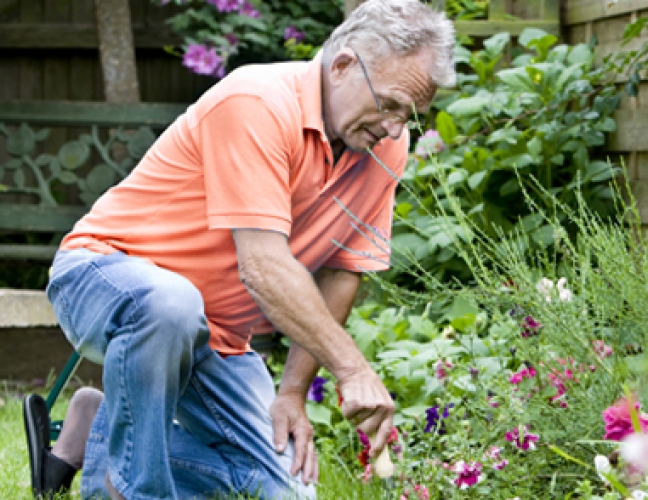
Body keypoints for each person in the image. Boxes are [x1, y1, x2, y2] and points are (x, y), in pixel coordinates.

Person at [24, 0, 456, 498]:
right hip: (104, 275)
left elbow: (342, 268)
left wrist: (293, 391)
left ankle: (99, 428)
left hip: (217, 332)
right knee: (170, 304)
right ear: (342, 66)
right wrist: (353, 370)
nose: (397, 128)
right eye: (390, 105)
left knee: (287, 491)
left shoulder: (382, 145)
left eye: (410, 115)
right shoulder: (257, 102)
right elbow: (264, 265)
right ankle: (129, 489)